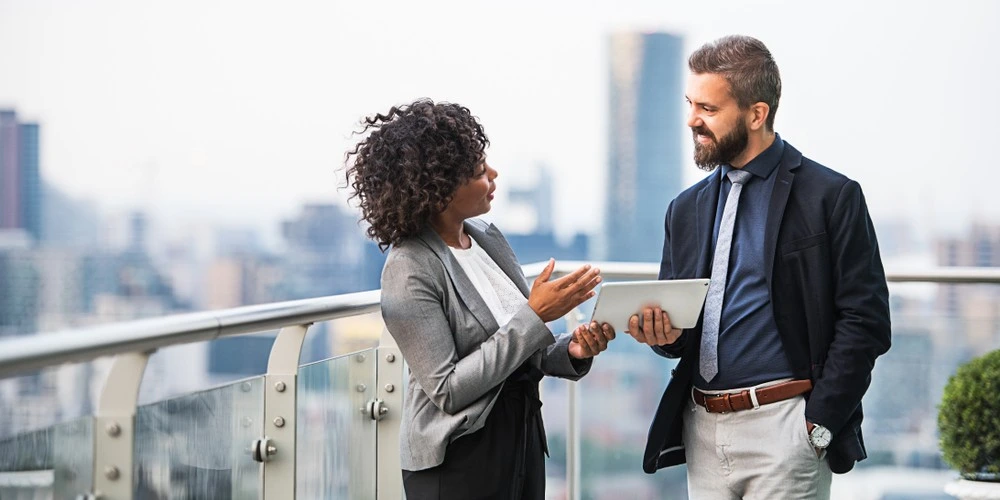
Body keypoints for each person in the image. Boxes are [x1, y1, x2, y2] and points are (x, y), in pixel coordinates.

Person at [625, 35, 892, 499]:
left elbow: (866, 320)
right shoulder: (684, 209)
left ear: (756, 114)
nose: (692, 120)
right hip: (702, 430)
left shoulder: (830, 196)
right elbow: (683, 334)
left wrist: (819, 424)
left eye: (708, 109)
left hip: (786, 430)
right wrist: (661, 333)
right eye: (690, 103)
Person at [344, 98, 616, 500]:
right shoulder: (410, 267)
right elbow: (448, 389)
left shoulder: (488, 239)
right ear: (438, 190)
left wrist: (571, 351)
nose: (493, 174)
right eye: (477, 172)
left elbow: (525, 352)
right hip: (460, 458)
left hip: (520, 440)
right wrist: (535, 315)